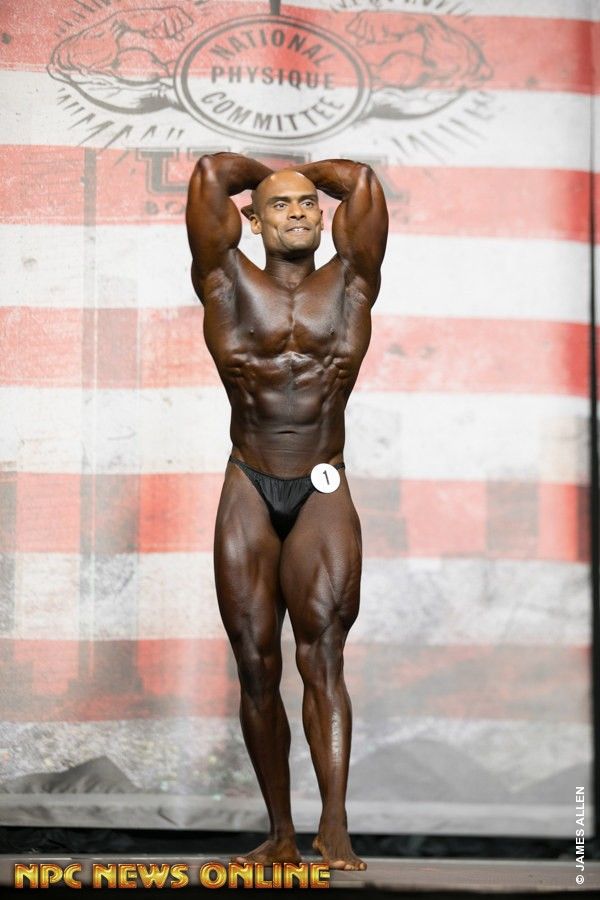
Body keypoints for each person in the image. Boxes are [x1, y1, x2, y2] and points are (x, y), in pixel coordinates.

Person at [186, 152, 388, 870]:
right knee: (256, 664)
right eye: (280, 205)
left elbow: (362, 184)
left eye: (308, 203)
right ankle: (279, 833)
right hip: (249, 480)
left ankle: (334, 827)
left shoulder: (352, 283)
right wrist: (272, 176)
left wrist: (296, 175)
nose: (299, 212)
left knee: (324, 655)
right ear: (251, 219)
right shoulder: (225, 281)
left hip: (322, 485)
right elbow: (210, 175)